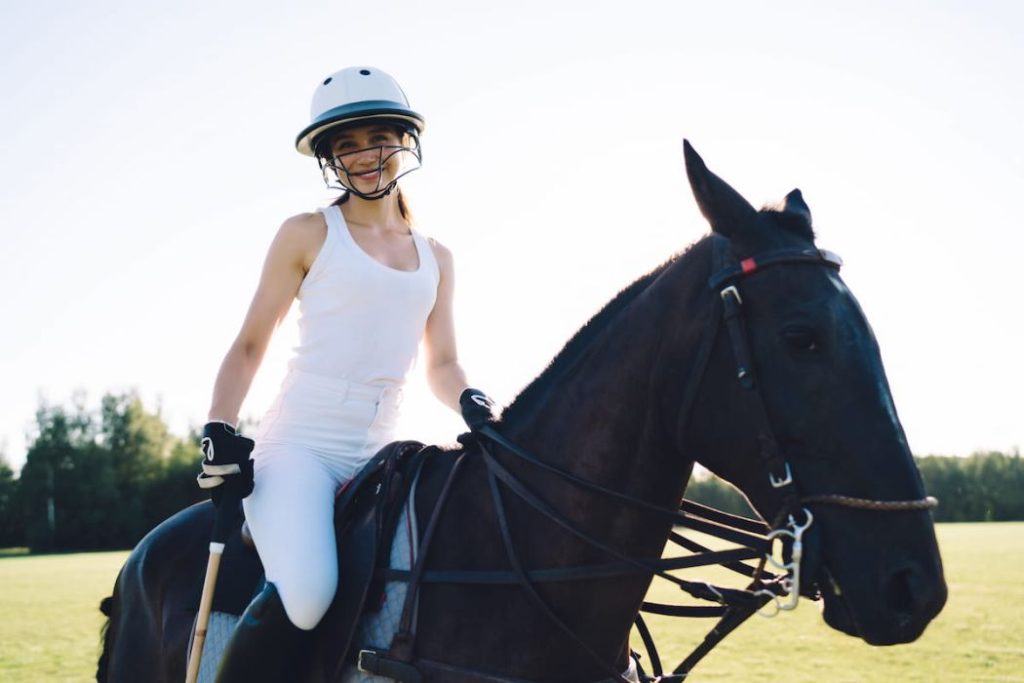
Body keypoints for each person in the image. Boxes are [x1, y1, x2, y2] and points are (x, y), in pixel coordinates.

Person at [195, 66, 497, 682]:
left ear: (405, 142)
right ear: (330, 157)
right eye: (347, 145)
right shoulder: (308, 233)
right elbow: (252, 343)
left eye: (378, 138)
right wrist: (219, 427)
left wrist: (472, 402)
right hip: (301, 447)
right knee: (307, 597)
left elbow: (441, 364)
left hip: (386, 450)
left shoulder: (437, 257)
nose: (365, 156)